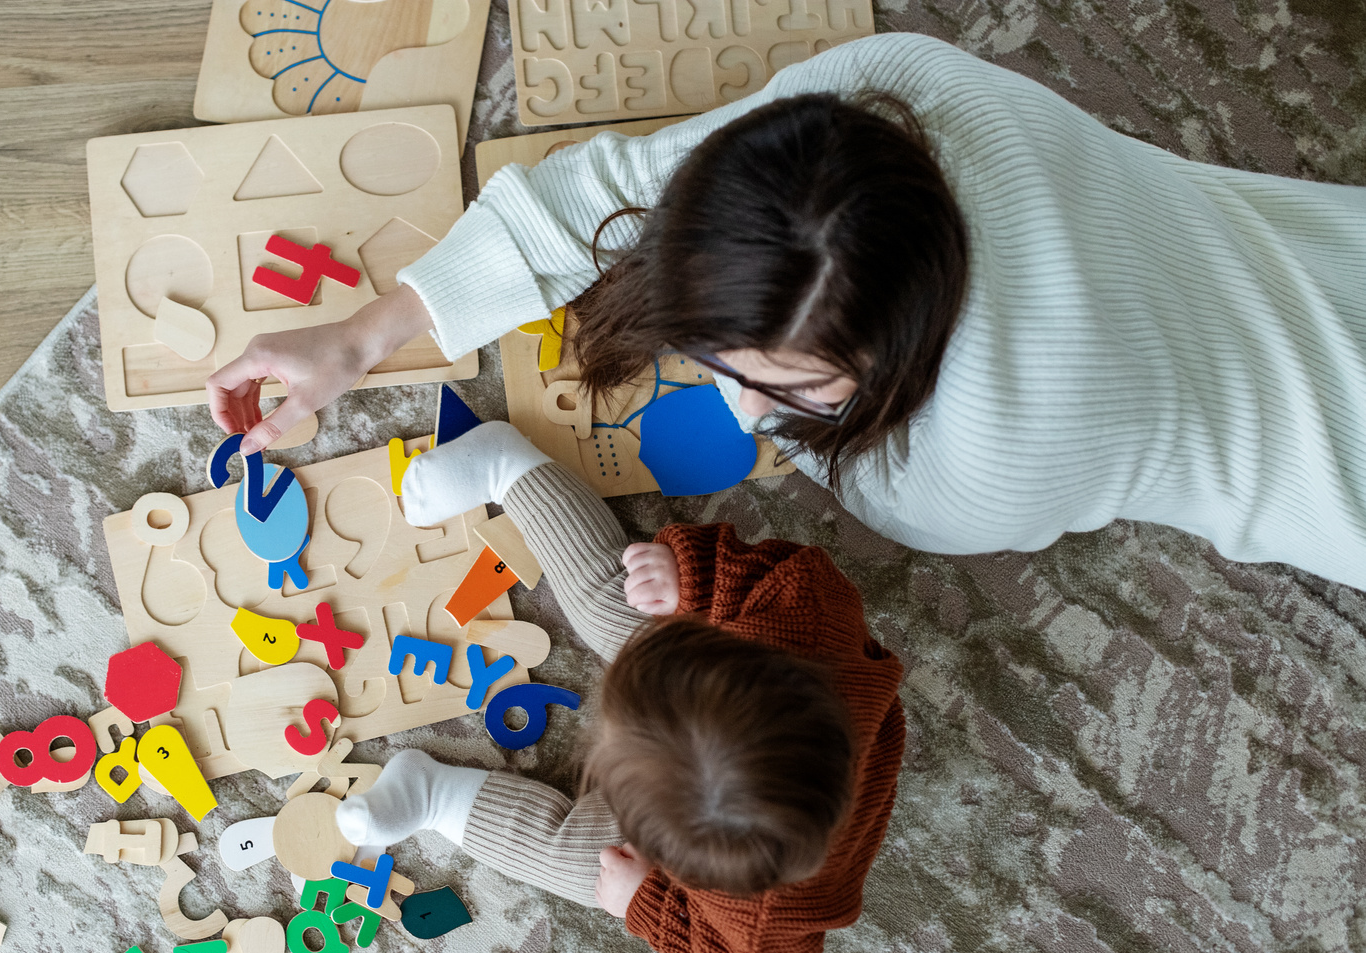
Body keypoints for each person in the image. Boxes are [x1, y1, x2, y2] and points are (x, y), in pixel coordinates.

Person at [208, 33, 1366, 589]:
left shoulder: (993, 458)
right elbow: (616, 188)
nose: (728, 398)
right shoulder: (897, 88)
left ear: (896, 365)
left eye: (791, 388)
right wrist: (363, 334)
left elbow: (900, 495)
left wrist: (780, 433)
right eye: (715, 350)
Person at [329, 420, 906, 953]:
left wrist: (645, 902)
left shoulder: (760, 926)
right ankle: (506, 468)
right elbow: (789, 569)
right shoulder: (804, 623)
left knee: (581, 862)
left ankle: (432, 795)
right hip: (735, 716)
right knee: (613, 598)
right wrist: (691, 579)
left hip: (694, 849)